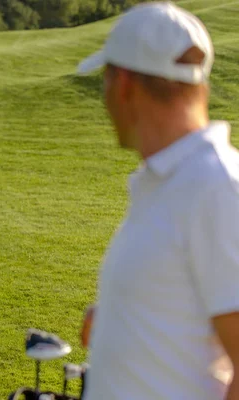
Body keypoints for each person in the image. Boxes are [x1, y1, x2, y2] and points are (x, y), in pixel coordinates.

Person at [76, 2, 238, 399]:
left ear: (125, 83)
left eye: (105, 79)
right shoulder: (170, 181)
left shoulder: (217, 186)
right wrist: (123, 320)